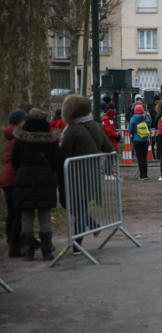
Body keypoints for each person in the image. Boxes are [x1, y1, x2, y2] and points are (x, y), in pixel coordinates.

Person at [59, 95, 114, 253]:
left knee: (78, 207)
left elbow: (63, 155)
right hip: (92, 174)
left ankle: (77, 244)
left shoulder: (73, 130)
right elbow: (110, 149)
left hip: (75, 175)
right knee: (80, 208)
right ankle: (93, 226)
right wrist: (106, 171)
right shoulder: (96, 126)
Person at [11, 108, 60, 261]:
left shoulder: (21, 139)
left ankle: (28, 250)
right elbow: (56, 161)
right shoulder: (50, 139)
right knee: (44, 215)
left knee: (27, 215)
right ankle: (47, 250)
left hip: (24, 178)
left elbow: (14, 160)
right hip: (45, 178)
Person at [0, 109, 27, 257]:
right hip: (13, 178)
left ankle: (11, 239)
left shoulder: (11, 136)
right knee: (18, 211)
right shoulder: (18, 138)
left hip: (7, 178)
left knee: (12, 211)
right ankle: (15, 242)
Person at [129, 104, 151, 180]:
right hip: (145, 139)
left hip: (137, 140)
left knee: (140, 157)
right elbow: (148, 127)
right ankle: (145, 174)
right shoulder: (146, 117)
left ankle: (141, 175)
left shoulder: (133, 118)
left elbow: (131, 129)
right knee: (145, 157)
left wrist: (133, 133)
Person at [148, 95, 160, 159]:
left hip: (152, 127)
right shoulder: (156, 107)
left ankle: (153, 156)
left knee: (153, 142)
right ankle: (157, 156)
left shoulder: (150, 106)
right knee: (157, 142)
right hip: (156, 127)